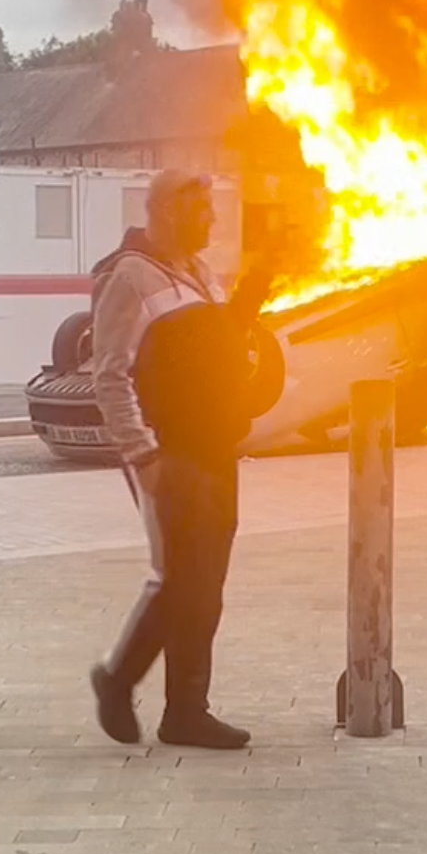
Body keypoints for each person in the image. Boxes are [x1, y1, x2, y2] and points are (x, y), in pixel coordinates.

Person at [85, 172, 272, 752]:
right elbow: (108, 375)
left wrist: (249, 302)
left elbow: (210, 352)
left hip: (216, 447)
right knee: (185, 579)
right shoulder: (131, 277)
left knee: (205, 584)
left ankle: (182, 709)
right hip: (173, 452)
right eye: (201, 210)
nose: (212, 221)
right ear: (166, 211)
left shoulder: (201, 274)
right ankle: (133, 686)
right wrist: (144, 453)